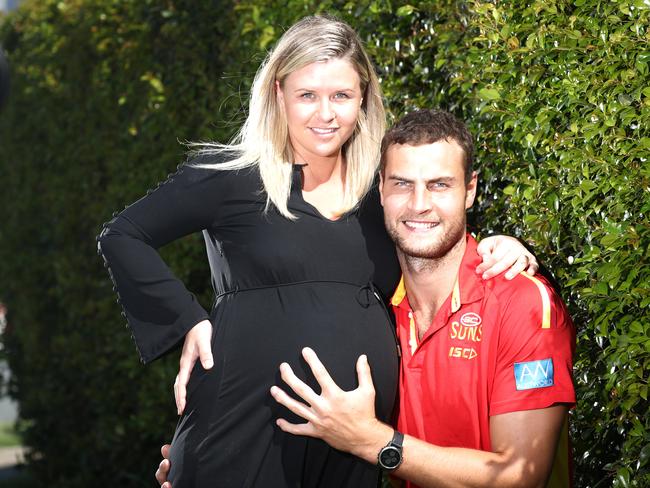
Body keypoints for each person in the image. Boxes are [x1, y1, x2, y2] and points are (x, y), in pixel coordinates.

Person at [99, 15, 537, 488]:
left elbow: (434, 241)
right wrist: (186, 320)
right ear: (278, 92)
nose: (325, 114)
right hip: (243, 429)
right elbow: (122, 236)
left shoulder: (382, 195)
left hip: (353, 446)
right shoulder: (229, 177)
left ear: (363, 99)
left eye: (341, 96)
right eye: (307, 95)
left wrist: (501, 245)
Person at [268, 109, 576, 487]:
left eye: (439, 185)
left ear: (471, 189)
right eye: (402, 184)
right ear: (380, 188)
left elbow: (520, 476)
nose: (418, 204)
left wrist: (374, 442)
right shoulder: (369, 304)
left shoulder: (522, 302)